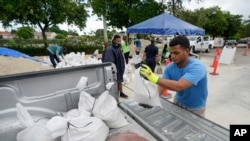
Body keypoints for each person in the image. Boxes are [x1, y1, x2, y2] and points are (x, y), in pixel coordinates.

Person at [140, 35, 208, 117]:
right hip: (178, 101)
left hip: (195, 108)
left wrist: (153, 77)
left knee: (193, 129)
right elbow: (161, 86)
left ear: (187, 51)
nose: (172, 56)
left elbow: (179, 86)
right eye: (171, 53)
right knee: (175, 127)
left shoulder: (197, 67)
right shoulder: (170, 67)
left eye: (176, 53)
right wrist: (152, 100)